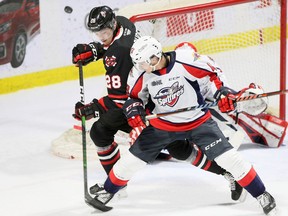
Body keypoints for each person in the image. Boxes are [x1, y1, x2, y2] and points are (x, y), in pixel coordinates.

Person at [72, 5, 244, 202]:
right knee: (175, 148)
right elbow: (111, 45)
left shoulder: (118, 53)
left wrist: (95, 108)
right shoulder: (124, 25)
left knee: (103, 131)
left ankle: (229, 173)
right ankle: (115, 185)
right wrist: (95, 50)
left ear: (112, 24)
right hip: (155, 98)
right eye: (97, 33)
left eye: (104, 32)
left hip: (147, 107)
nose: (101, 36)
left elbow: (121, 99)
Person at [92, 36, 276, 215]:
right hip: (162, 126)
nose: (141, 67)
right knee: (130, 162)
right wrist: (134, 108)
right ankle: (108, 191)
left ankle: (262, 195)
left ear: (155, 57)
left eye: (144, 63)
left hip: (198, 122)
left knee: (231, 159)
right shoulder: (140, 72)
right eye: (138, 64)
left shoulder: (187, 61)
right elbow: (133, 97)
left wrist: (223, 92)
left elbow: (213, 73)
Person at [175, 42, 288, 149]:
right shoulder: (198, 63)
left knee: (226, 105)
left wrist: (227, 97)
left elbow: (219, 84)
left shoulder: (203, 63)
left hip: (205, 102)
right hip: (195, 106)